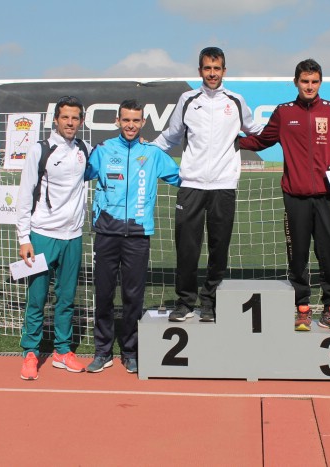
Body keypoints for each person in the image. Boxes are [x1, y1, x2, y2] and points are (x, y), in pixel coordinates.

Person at [239, 58, 330, 332]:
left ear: (320, 82)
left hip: (327, 195)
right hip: (295, 196)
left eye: (314, 81)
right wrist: (228, 140)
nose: (309, 86)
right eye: (304, 81)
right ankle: (302, 308)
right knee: (298, 254)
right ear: (296, 82)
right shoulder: (283, 112)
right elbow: (262, 140)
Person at [152, 46, 263, 323]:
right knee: (187, 248)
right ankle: (185, 302)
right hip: (191, 185)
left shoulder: (236, 101)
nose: (212, 73)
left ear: (224, 71)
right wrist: (145, 153)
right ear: (199, 70)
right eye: (207, 68)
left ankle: (210, 301)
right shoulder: (188, 100)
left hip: (223, 186)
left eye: (217, 68)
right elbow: (170, 136)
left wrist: (289, 134)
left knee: (218, 247)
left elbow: (256, 131)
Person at [85, 99, 181, 374]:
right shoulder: (103, 151)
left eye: (136, 120)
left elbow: (181, 177)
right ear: (118, 121)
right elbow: (77, 174)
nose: (130, 125)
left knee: (133, 296)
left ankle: (130, 351)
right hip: (106, 232)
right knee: (103, 294)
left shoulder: (152, 153)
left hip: (138, 235)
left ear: (143, 123)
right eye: (126, 120)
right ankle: (102, 351)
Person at [15, 95, 92, 380]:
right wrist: (24, 238)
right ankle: (31, 353)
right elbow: (25, 196)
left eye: (75, 118)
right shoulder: (41, 150)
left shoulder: (85, 149)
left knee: (67, 299)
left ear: (81, 121)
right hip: (42, 235)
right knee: (37, 299)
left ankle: (62, 351)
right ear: (56, 120)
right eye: (65, 117)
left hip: (73, 237)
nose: (70, 122)